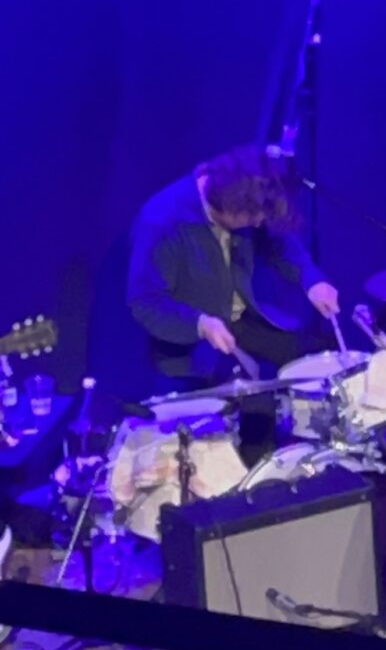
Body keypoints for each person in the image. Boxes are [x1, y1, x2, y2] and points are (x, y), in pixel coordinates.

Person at [126, 145, 340, 451]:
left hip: (239, 320)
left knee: (317, 361)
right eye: (253, 218)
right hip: (191, 341)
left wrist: (312, 280)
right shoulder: (163, 222)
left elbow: (280, 242)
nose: (256, 224)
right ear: (227, 208)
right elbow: (144, 302)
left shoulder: (245, 200)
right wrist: (200, 324)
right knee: (246, 421)